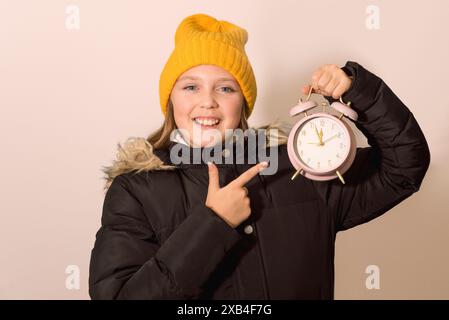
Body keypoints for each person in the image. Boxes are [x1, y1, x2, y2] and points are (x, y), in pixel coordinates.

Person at [88, 13, 430, 299]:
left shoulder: (298, 166)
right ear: (171, 99)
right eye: (191, 86)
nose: (207, 101)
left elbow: (404, 167)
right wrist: (213, 224)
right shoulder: (136, 191)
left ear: (243, 101)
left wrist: (358, 91)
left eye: (225, 87)